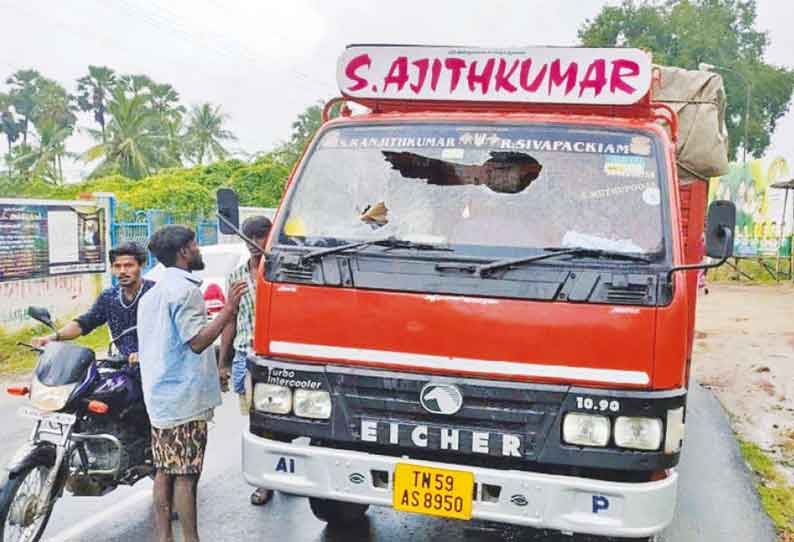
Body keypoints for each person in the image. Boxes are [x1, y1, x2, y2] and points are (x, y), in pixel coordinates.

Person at [137, 225, 246, 542]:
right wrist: (228, 310)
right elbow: (197, 342)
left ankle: (164, 537)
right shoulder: (185, 291)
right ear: (184, 252)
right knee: (186, 474)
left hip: (160, 397)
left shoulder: (152, 291)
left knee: (164, 469)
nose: (198, 251)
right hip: (183, 398)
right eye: (195, 245)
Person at [219, 216, 273, 506]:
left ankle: (274, 476)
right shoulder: (237, 277)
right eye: (248, 238)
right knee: (256, 423)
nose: (254, 244)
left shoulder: (280, 272)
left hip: (275, 358)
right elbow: (230, 321)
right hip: (244, 356)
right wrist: (222, 364)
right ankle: (264, 482)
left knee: (276, 422)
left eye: (260, 237)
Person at [32, 242, 154, 361]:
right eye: (117, 266)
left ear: (142, 265)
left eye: (128, 265)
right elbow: (85, 322)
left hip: (156, 365)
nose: (122, 271)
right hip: (122, 364)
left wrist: (147, 353)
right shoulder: (109, 296)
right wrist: (52, 337)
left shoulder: (156, 293)